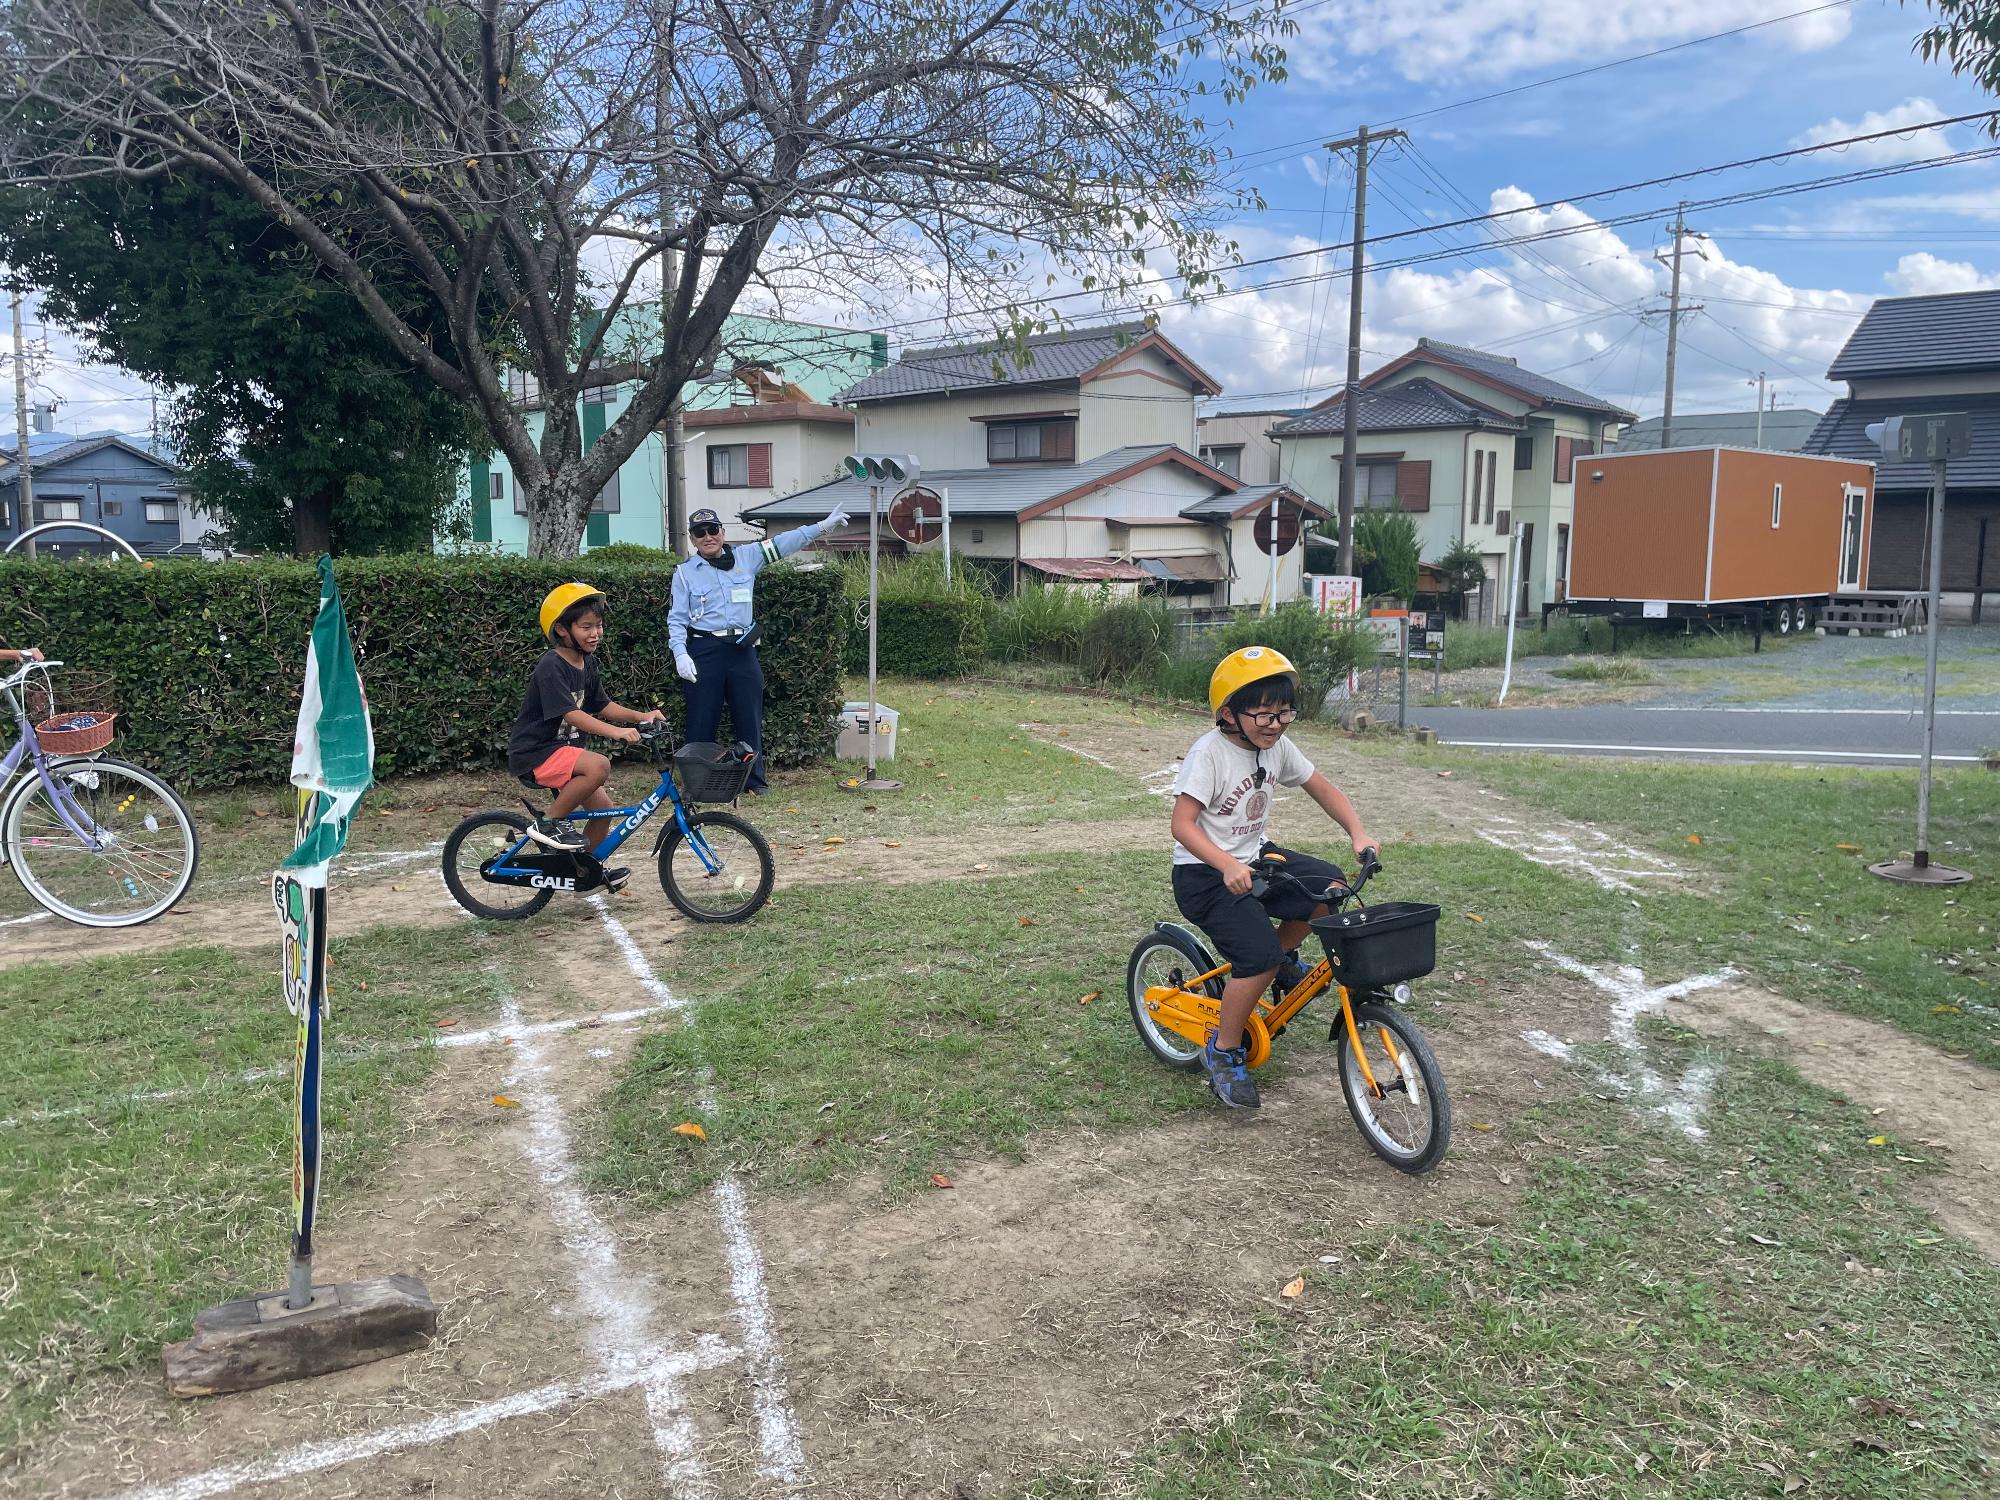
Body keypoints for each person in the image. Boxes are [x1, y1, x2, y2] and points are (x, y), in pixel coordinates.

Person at [1170, 646, 1376, 1111]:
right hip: (1205, 874)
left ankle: (1281, 959)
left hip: (1255, 860)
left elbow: (1321, 787)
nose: (1275, 724)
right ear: (1228, 713)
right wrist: (1225, 864)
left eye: (1284, 713)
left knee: (1330, 889)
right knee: (1256, 958)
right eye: (1263, 714)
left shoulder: (1278, 748)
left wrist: (1357, 831)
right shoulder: (1210, 754)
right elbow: (1182, 825)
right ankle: (1224, 1050)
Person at [668, 503, 847, 794]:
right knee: (701, 719)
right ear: (692, 539)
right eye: (699, 533)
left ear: (723, 532)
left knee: (748, 716)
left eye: (713, 530)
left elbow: (783, 543)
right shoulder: (686, 573)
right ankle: (698, 785)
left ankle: (753, 781)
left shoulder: (747, 557)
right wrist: (680, 652)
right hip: (705, 649)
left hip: (741, 649)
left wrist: (822, 526)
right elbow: (676, 619)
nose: (707, 537)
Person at [507, 584, 665, 887]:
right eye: (586, 627)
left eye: (599, 625)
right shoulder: (551, 665)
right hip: (537, 753)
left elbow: (603, 705)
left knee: (602, 810)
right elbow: (572, 714)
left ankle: (583, 873)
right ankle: (549, 822)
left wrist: (642, 716)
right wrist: (617, 733)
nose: (595, 633)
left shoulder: (586, 662)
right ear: (562, 630)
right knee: (599, 766)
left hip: (563, 753)